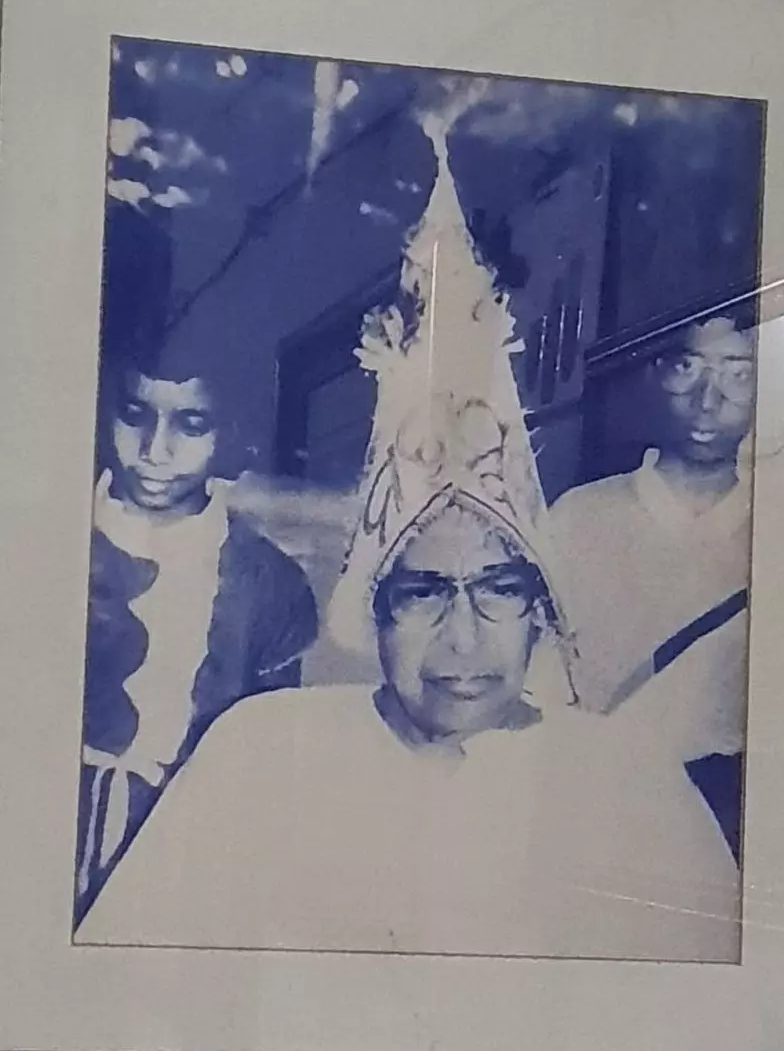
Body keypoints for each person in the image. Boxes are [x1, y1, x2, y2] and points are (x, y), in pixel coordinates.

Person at [75, 126, 741, 961]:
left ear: (542, 608)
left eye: (499, 589)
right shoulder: (261, 750)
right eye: (423, 592)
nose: (461, 641)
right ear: (374, 606)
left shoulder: (625, 782)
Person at [74, 350, 319, 927]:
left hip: (183, 859)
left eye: (191, 423)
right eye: (135, 414)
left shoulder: (270, 582)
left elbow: (266, 754)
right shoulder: (40, 536)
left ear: (229, 431)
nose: (155, 450)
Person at [550, 311, 756, 861]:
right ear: (652, 375)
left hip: (740, 816)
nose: (708, 398)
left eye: (738, 372)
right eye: (687, 367)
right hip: (599, 808)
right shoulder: (579, 517)